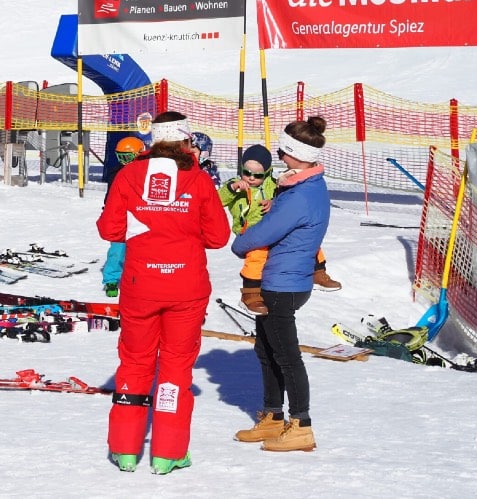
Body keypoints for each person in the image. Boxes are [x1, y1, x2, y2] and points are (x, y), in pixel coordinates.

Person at [97, 111, 230, 476]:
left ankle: (126, 450)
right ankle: (167, 453)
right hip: (186, 287)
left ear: (152, 140)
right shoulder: (198, 179)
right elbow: (219, 237)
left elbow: (110, 229)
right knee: (175, 367)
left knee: (136, 363)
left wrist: (148, 221)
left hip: (141, 286)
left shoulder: (128, 175)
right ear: (186, 140)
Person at [231, 117, 331, 453]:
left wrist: (241, 242)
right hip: (283, 278)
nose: (280, 157)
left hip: (282, 283)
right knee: (266, 350)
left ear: (296, 154)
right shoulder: (301, 187)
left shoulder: (302, 195)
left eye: (283, 152)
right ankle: (273, 416)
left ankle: (301, 424)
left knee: (286, 355)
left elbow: (264, 232)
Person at [220, 145, 339, 315]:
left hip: (275, 227)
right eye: (247, 173)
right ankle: (251, 293)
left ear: (267, 173)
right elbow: (215, 201)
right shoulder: (235, 187)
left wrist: (272, 202)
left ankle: (318, 272)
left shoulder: (273, 185)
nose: (251, 178)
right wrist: (231, 190)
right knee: (256, 257)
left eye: (258, 175)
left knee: (308, 242)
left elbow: (283, 200)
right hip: (253, 233)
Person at [100, 136, 147, 298]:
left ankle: (143, 278)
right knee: (118, 249)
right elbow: (110, 197)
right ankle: (112, 279)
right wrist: (108, 211)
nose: (124, 161)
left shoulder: (146, 172)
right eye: (121, 157)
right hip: (121, 217)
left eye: (127, 157)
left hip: (141, 215)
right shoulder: (116, 173)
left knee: (144, 248)